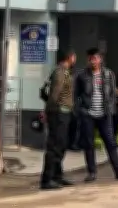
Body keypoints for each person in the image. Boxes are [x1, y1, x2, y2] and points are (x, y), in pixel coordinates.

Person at [74, 48, 118, 182]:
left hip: (105, 114)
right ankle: (92, 173)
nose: (93, 61)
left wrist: (112, 109)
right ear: (88, 60)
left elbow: (113, 94)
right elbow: (76, 95)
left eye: (95, 58)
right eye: (91, 59)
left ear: (100, 59)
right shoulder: (82, 76)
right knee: (89, 144)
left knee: (110, 143)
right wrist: (80, 110)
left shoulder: (108, 75)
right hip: (88, 114)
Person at [40, 50, 77, 190]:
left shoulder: (65, 72)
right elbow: (54, 94)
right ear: (69, 57)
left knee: (61, 146)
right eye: (74, 57)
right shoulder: (60, 72)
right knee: (54, 146)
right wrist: (48, 111)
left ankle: (57, 176)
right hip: (58, 113)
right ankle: (47, 179)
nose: (75, 59)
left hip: (64, 113)